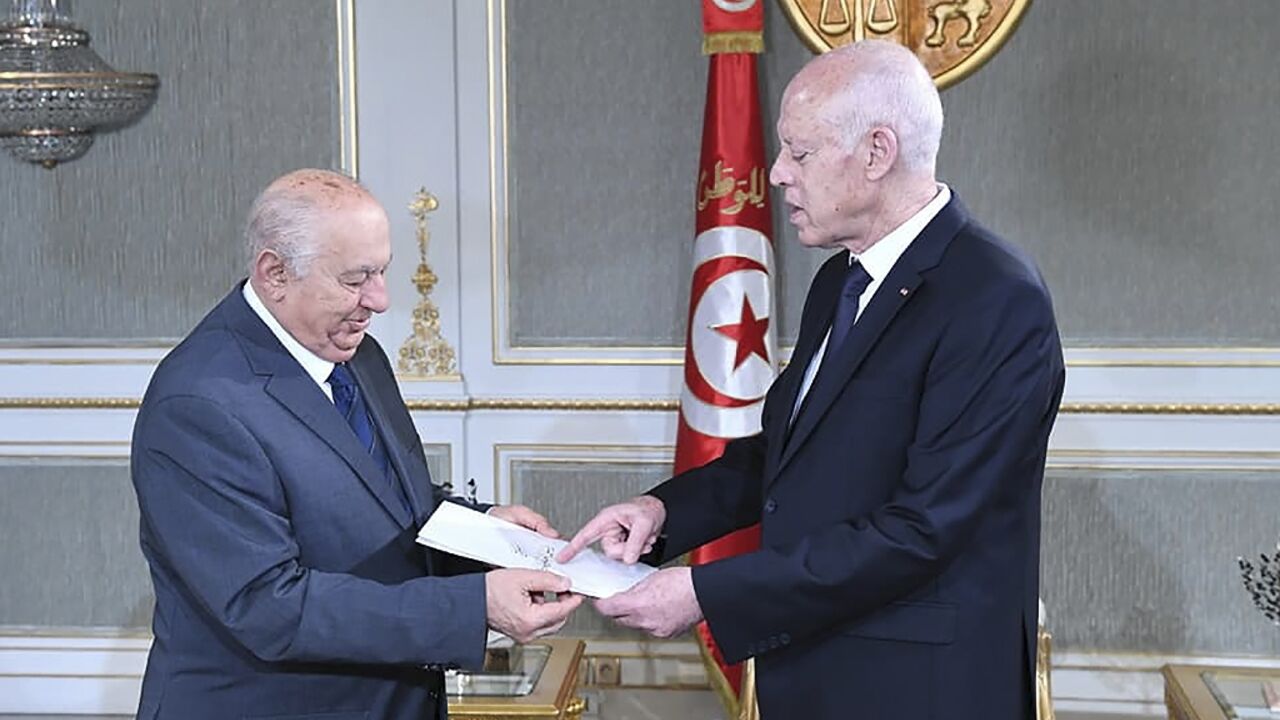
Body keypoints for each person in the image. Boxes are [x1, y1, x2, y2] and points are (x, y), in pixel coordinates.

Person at [559, 40, 1065, 719]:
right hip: (817, 671)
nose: (774, 175)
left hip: (922, 691)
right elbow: (786, 453)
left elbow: (923, 528)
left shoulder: (995, 299)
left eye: (800, 153)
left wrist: (709, 594)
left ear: (877, 153)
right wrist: (663, 515)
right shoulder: (842, 280)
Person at [130, 169, 582, 719]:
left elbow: (388, 502)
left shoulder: (354, 352)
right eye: (355, 279)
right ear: (274, 273)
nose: (381, 300)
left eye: (383, 272)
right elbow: (269, 607)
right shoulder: (198, 405)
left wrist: (490, 535)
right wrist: (474, 607)